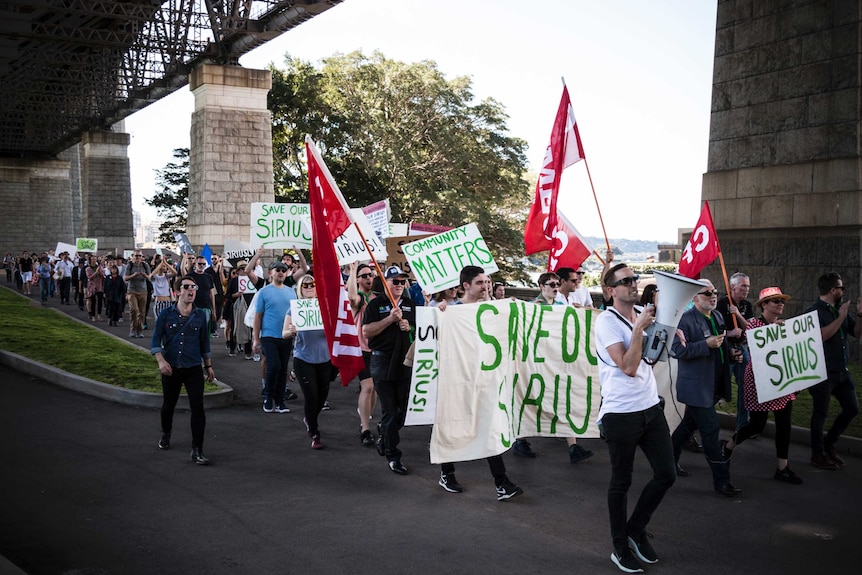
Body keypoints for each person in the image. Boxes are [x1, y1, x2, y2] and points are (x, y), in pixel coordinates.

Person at [595, 262, 675, 573]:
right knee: (621, 481)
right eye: (625, 281)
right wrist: (640, 327)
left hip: (649, 408)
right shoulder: (607, 323)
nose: (633, 284)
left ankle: (636, 528)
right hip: (620, 414)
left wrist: (669, 332)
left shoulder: (641, 312)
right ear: (610, 290)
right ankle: (619, 546)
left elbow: (649, 359)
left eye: (635, 278)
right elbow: (628, 367)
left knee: (666, 474)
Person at [436, 265, 524, 500]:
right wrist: (439, 314)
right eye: (480, 283)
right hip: (458, 380)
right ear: (466, 286)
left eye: (487, 282)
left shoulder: (493, 309)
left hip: (485, 380)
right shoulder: (452, 311)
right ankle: (447, 472)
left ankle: (501, 482)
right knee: (453, 425)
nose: (486, 286)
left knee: (488, 426)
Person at [720, 287, 802, 484]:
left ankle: (782, 467)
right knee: (757, 424)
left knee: (784, 425)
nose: (780, 304)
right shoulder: (755, 325)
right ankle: (729, 445)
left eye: (781, 301)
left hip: (781, 382)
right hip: (760, 382)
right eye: (775, 301)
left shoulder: (783, 326)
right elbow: (757, 341)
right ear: (764, 305)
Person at [670, 279, 742, 497]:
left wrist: (731, 354)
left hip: (712, 385)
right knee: (710, 431)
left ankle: (667, 463)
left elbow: (721, 344)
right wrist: (705, 345)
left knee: (687, 427)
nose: (712, 296)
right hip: (696, 388)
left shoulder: (717, 316)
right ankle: (722, 480)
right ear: (694, 298)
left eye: (715, 292)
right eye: (706, 293)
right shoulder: (684, 320)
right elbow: (677, 351)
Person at [151, 275, 214, 465]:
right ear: (177, 291)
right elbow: (155, 340)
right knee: (168, 406)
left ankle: (197, 449)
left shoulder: (201, 315)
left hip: (193, 367)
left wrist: (208, 366)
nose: (191, 290)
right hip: (172, 368)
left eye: (194, 287)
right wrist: (161, 361)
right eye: (187, 287)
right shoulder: (166, 315)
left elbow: (205, 342)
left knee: (198, 408)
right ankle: (166, 432)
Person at [805, 271, 861, 470]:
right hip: (822, 372)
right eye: (841, 288)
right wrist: (842, 316)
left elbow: (856, 332)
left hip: (841, 372)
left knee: (852, 408)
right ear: (832, 290)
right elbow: (820, 336)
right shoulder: (814, 312)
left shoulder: (840, 309)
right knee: (820, 414)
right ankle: (817, 455)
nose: (843, 291)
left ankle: (830, 444)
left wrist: (860, 315)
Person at [362, 265, 416, 475]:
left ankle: (385, 433)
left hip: (404, 362)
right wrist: (389, 320)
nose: (400, 285)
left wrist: (409, 327)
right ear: (386, 283)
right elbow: (366, 332)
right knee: (390, 411)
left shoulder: (411, 304)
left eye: (403, 282)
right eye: (396, 281)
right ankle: (393, 455)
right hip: (382, 362)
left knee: (402, 412)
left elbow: (419, 327)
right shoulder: (376, 305)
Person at [283, 275, 331, 449]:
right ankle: (314, 431)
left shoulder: (324, 307)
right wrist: (292, 331)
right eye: (306, 285)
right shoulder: (294, 308)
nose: (310, 287)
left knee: (322, 396)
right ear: (300, 288)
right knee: (311, 396)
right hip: (303, 358)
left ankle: (309, 418)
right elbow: (284, 334)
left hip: (324, 358)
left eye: (313, 284)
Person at [253, 260, 297, 414]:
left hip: (286, 336)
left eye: (284, 270)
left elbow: (296, 315)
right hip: (268, 335)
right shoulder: (264, 292)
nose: (280, 272)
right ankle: (268, 397)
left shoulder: (291, 292)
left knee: (283, 368)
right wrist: (256, 338)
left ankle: (280, 401)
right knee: (274, 366)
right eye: (277, 269)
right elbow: (258, 316)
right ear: (270, 272)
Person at [716, 272, 754, 431]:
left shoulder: (747, 305)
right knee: (719, 388)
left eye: (748, 286)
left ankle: (743, 425)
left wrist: (737, 314)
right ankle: (701, 419)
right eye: (743, 285)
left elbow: (750, 328)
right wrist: (730, 333)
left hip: (742, 349)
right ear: (732, 287)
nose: (747, 289)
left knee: (746, 388)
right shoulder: (721, 304)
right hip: (726, 349)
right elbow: (716, 329)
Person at [347, 262, 378, 446]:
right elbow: (351, 298)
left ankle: (365, 415)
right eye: (364, 275)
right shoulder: (359, 297)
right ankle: (365, 428)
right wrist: (352, 270)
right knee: (367, 387)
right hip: (361, 349)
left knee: (373, 389)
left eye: (371, 275)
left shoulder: (378, 297)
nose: (369, 278)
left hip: (377, 349)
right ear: (358, 279)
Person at [124, 250, 151, 338]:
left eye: (139, 256)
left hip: (143, 291)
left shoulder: (145, 265)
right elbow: (125, 278)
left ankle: (140, 330)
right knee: (134, 310)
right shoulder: (130, 265)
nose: (138, 258)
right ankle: (132, 329)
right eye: (136, 256)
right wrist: (133, 275)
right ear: (133, 257)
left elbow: (149, 276)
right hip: (132, 291)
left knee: (142, 312)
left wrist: (145, 276)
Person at [190, 255, 216, 333]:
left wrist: (214, 311)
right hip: (192, 307)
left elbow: (212, 294)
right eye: (200, 264)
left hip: (206, 307)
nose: (202, 266)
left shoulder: (209, 277)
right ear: (195, 264)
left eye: (204, 264)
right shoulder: (190, 276)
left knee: (204, 330)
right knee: (192, 329)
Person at [149, 256, 176, 325]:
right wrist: (161, 263)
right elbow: (151, 275)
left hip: (167, 301)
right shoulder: (155, 277)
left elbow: (175, 273)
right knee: (160, 322)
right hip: (159, 302)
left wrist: (166, 263)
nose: (164, 267)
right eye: (163, 266)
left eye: (165, 266)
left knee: (168, 322)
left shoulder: (166, 276)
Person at [85, 255, 105, 322]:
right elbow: (90, 277)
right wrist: (96, 272)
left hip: (99, 286)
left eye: (95, 259)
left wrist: (100, 272)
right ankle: (93, 316)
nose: (94, 260)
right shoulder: (88, 269)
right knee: (93, 301)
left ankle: (99, 315)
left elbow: (103, 276)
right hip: (92, 287)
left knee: (100, 301)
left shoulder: (99, 267)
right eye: (92, 259)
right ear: (90, 260)